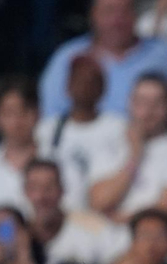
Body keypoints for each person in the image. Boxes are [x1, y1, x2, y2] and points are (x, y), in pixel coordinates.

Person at [37, 0, 167, 120]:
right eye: (109, 11)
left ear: (136, 15)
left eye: (125, 11)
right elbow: (52, 116)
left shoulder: (164, 54)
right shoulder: (68, 57)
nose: (117, 21)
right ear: (93, 15)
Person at [88, 73, 167, 224]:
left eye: (157, 103)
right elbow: (99, 201)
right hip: (101, 238)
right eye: (141, 102)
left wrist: (122, 220)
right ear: (130, 104)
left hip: (148, 238)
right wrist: (135, 155)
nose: (148, 111)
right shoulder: (110, 142)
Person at [35, 54, 127, 213]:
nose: (83, 87)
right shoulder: (47, 129)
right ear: (67, 86)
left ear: (103, 88)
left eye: (91, 82)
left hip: (104, 215)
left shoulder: (120, 128)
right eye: (77, 81)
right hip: (59, 216)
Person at [0, 76, 40, 237]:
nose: (17, 122)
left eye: (24, 112)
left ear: (38, 113)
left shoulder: (60, 164)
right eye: (9, 113)